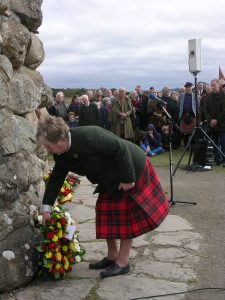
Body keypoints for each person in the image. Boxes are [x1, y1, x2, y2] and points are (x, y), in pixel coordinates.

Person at [37, 115, 169, 278]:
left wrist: (128, 178)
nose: (48, 151)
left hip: (131, 168)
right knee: (105, 213)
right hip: (109, 177)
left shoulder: (89, 135)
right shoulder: (61, 154)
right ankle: (112, 256)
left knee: (125, 218)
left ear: (61, 139)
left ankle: (122, 262)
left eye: (49, 147)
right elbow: (56, 178)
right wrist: (46, 209)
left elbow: (120, 148)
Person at [205, 79, 225, 166]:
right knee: (215, 143)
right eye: (211, 85)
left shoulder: (223, 95)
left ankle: (224, 160)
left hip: (222, 124)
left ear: (218, 85)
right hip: (212, 125)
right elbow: (206, 110)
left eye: (214, 85)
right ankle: (217, 160)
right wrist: (210, 120)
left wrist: (217, 120)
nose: (212, 87)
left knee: (224, 143)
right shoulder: (208, 97)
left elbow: (224, 110)